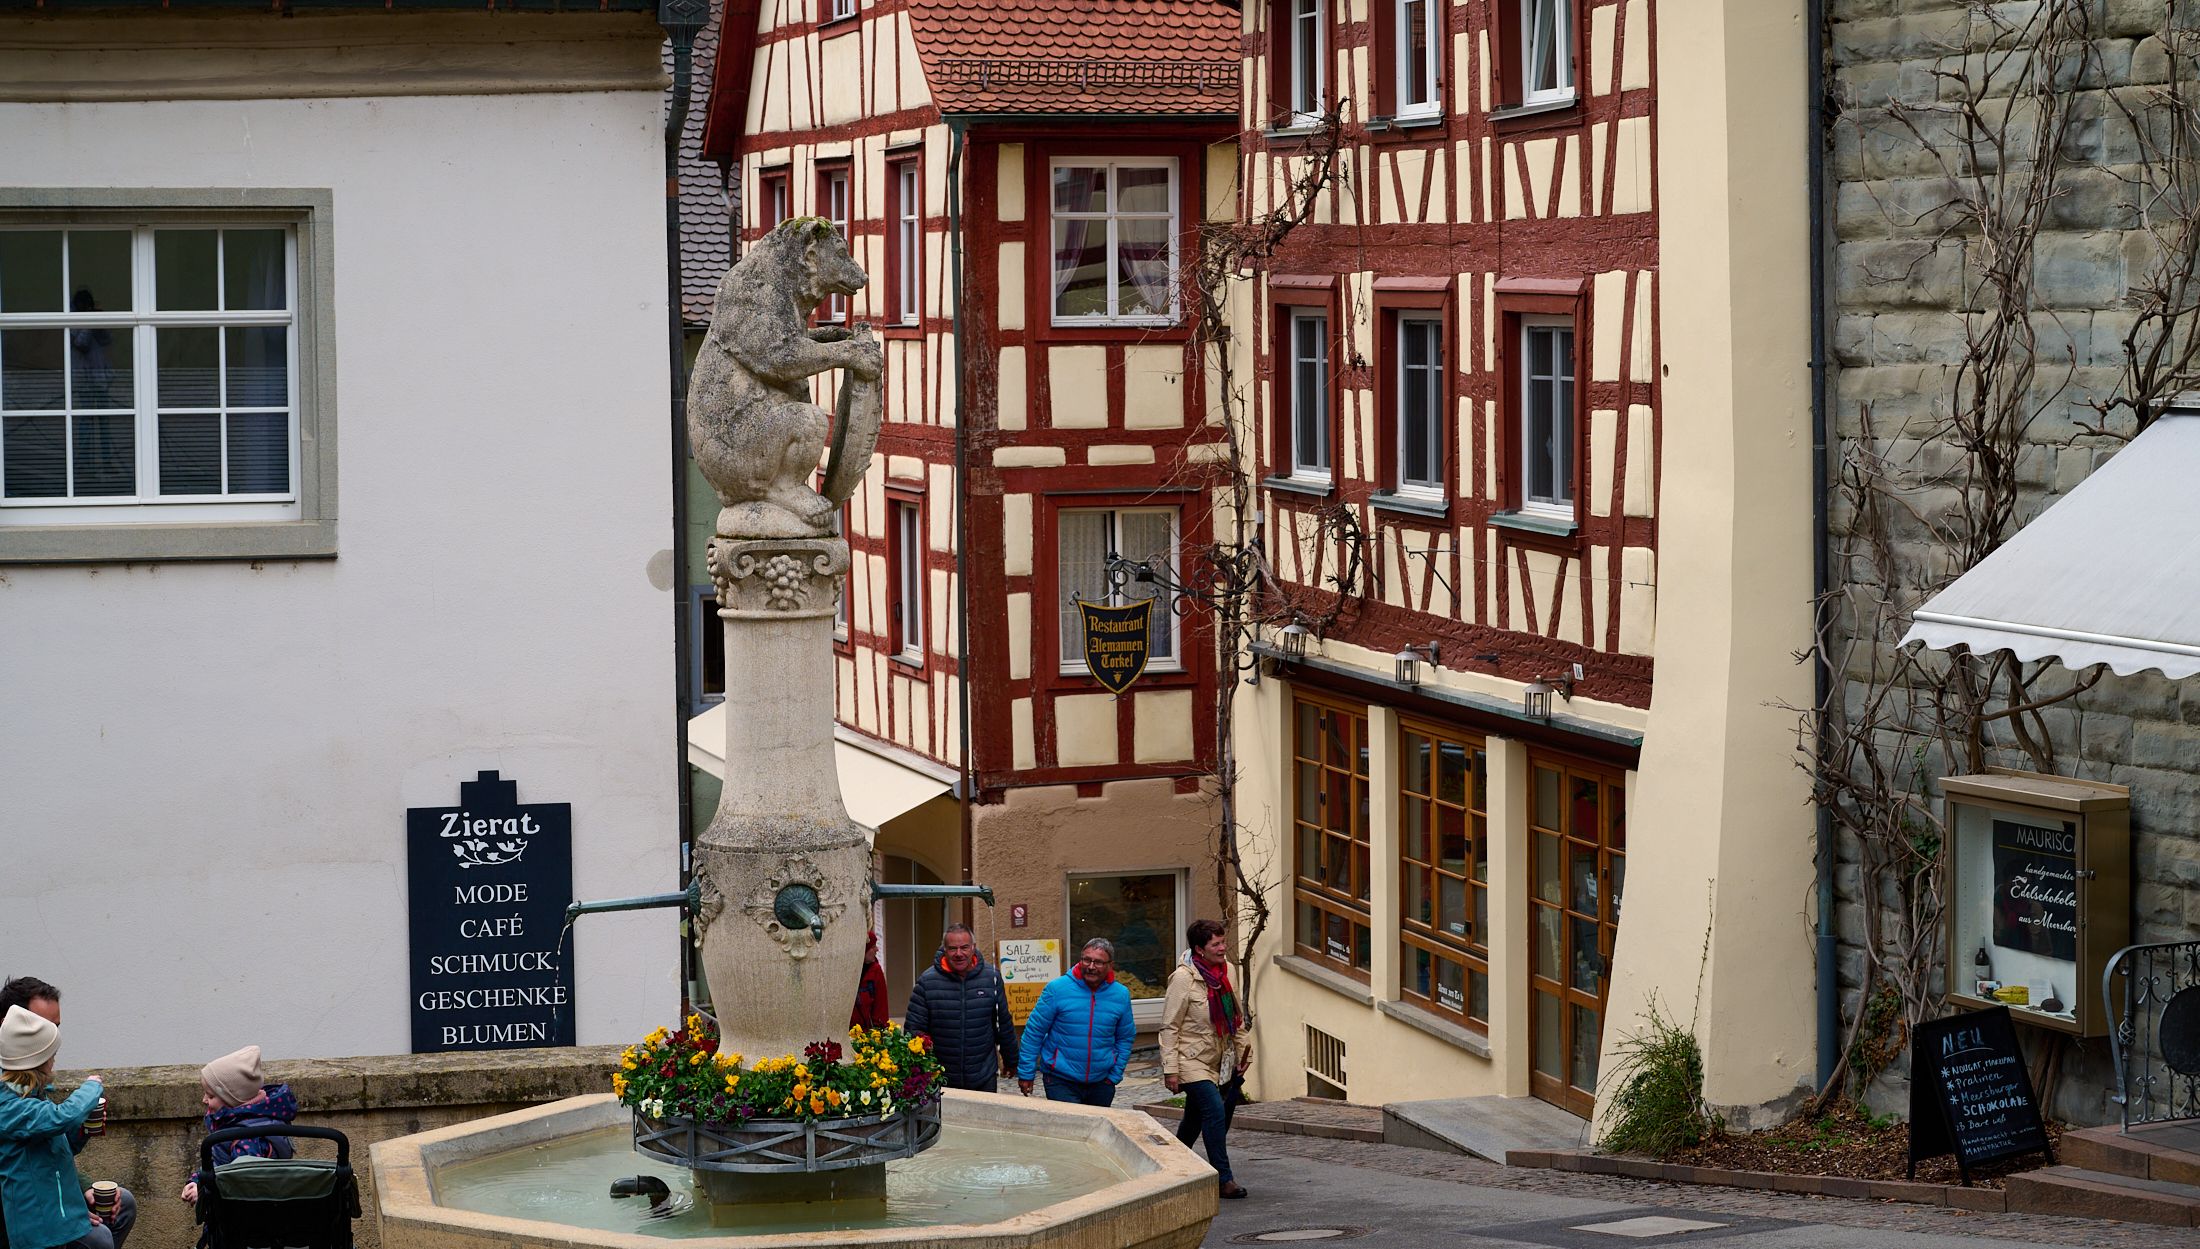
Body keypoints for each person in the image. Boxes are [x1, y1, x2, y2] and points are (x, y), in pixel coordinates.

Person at [0, 1005, 131, 1249]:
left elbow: (58, 1143)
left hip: (57, 1214)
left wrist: (83, 1130)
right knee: (101, 1240)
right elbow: (62, 1117)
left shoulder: (32, 1095)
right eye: (51, 1054)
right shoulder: (8, 1107)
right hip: (39, 1228)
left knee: (121, 1211)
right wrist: (92, 1087)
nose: (54, 1060)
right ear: (37, 1061)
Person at [1160, 918, 1253, 1200]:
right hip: (1190, 1058)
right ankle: (1223, 1179)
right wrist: (1170, 1070)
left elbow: (1235, 1017)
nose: (1223, 948)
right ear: (1200, 949)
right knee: (1214, 1110)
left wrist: (1244, 1051)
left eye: (1223, 942)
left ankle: (1169, 1170)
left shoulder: (1229, 972)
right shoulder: (1183, 978)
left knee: (1194, 1119)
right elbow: (1170, 1026)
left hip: (1218, 1059)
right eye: (1216, 944)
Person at [1015, 938, 1135, 1106]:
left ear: (1110, 965)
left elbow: (1125, 1037)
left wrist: (1114, 1075)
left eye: (1098, 962)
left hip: (1102, 1082)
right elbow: (1034, 1032)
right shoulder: (1057, 989)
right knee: (1068, 1129)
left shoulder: (1121, 994)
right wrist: (1026, 1073)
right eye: (1087, 960)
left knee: (1095, 1130)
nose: (1091, 966)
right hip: (1060, 1079)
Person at [902, 926, 1015, 1092]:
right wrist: (920, 1070)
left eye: (964, 947)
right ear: (945, 950)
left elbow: (1003, 1024)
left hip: (983, 1075)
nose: (959, 953)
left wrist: (1011, 1060)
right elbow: (914, 1030)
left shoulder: (992, 977)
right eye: (953, 948)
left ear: (973, 947)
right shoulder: (927, 982)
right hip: (941, 1079)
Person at [179, 1047, 296, 1205]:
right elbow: (219, 1166)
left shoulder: (246, 1139)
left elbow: (241, 1185)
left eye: (211, 1095)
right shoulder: (239, 1123)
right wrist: (197, 1181)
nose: (204, 1099)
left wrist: (204, 1192)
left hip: (239, 1222)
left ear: (232, 1099)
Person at [850, 931, 891, 1031]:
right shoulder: (846, 972)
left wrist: (879, 1035)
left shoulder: (875, 972)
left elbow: (881, 1009)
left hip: (867, 1039)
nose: (877, 949)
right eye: (873, 947)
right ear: (864, 949)